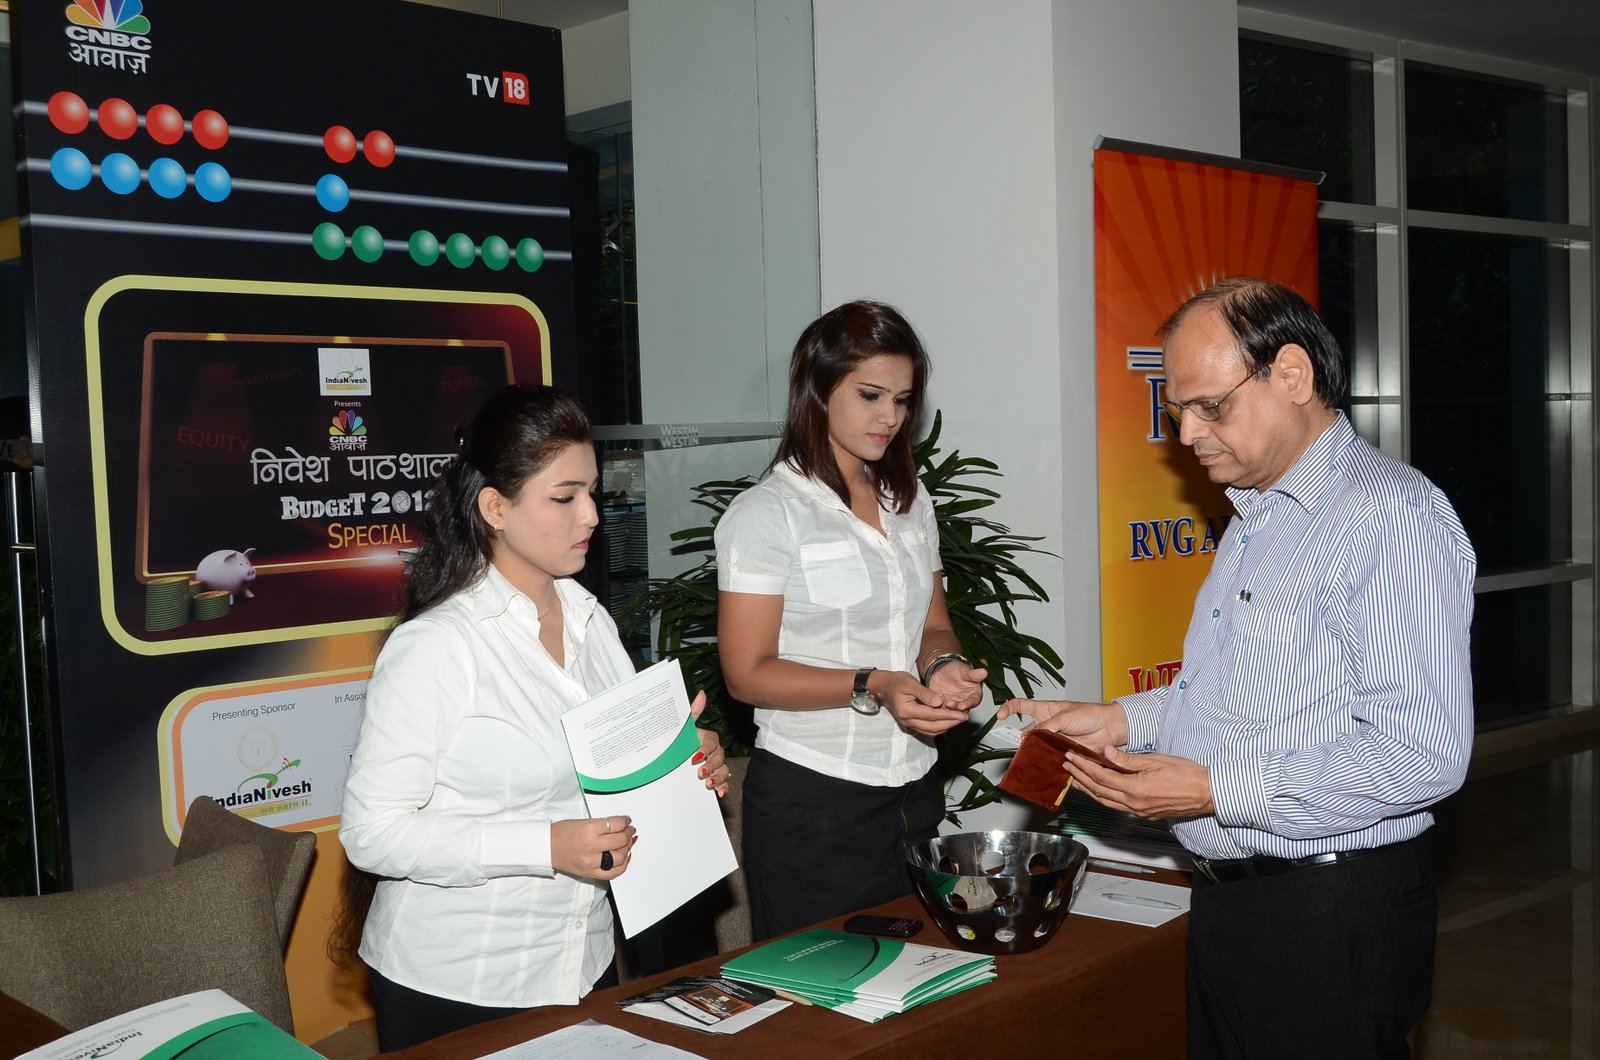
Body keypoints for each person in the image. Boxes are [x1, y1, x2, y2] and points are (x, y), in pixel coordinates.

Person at [1004, 277, 1476, 1058]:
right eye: (1176, 413)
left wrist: (1213, 789)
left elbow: (1423, 752)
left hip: (1330, 910)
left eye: (1208, 407)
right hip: (1237, 901)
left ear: (1291, 376)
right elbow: (1235, 697)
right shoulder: (1258, 515)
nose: (1187, 436)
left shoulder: (1388, 516)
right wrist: (1117, 719)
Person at [336, 384, 730, 1051]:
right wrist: (544, 845)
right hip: (457, 984)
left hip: (583, 965)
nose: (591, 517)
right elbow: (371, 834)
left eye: (593, 493)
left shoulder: (591, 621)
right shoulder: (437, 646)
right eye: (564, 497)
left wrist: (686, 761)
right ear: (495, 507)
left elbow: (618, 770)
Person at [715, 299, 988, 940]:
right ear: (817, 384)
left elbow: (933, 624)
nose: (889, 417)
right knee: (817, 1017)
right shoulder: (766, 514)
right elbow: (746, 675)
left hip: (914, 791)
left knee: (922, 1000)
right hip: (812, 804)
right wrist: (875, 683)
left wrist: (945, 668)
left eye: (902, 399)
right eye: (870, 395)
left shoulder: (909, 501)